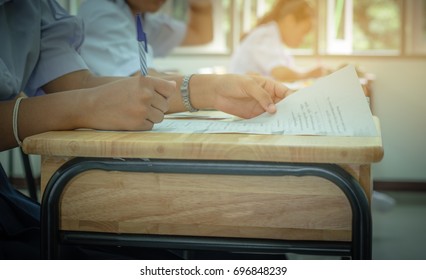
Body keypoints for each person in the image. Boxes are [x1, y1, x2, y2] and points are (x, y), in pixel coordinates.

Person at [0, 0, 289, 259]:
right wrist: (87, 105)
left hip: (11, 199)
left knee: (215, 251)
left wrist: (209, 90)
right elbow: (99, 94)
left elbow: (78, 85)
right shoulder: (102, 12)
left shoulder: (36, 7)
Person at [78, 0, 213, 76]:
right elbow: (147, 84)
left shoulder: (144, 18)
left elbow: (201, 35)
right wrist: (213, 88)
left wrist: (201, 6)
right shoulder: (101, 14)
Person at [229, 0, 328, 82]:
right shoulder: (265, 36)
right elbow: (281, 74)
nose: (303, 40)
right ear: (290, 21)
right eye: (304, 32)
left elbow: (288, 70)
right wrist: (309, 74)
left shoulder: (276, 39)